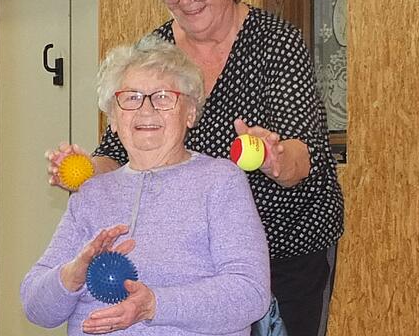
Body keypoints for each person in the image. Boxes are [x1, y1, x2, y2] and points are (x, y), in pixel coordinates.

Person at [46, 0, 344, 336]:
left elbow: (303, 155)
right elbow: (117, 151)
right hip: (198, 254)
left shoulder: (275, 41)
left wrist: (275, 158)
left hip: (288, 243)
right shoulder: (156, 51)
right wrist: (86, 172)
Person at [23, 35, 270, 335]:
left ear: (190, 112)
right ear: (112, 118)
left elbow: (250, 293)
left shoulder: (221, 181)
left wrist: (154, 304)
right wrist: (73, 274)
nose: (146, 109)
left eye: (164, 96)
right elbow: (36, 307)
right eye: (131, 97)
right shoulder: (91, 193)